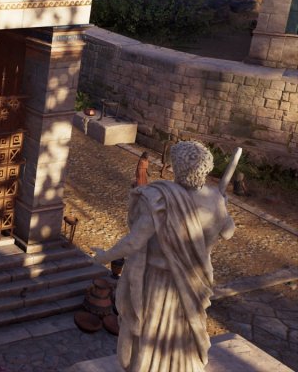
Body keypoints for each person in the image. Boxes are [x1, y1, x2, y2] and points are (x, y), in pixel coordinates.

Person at [93, 141, 235, 372]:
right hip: (194, 282)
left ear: (177, 167)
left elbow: (134, 241)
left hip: (159, 281)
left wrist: (104, 256)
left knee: (154, 332)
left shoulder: (161, 199)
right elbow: (228, 233)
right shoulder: (215, 200)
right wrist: (224, 208)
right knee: (182, 333)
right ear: (206, 168)